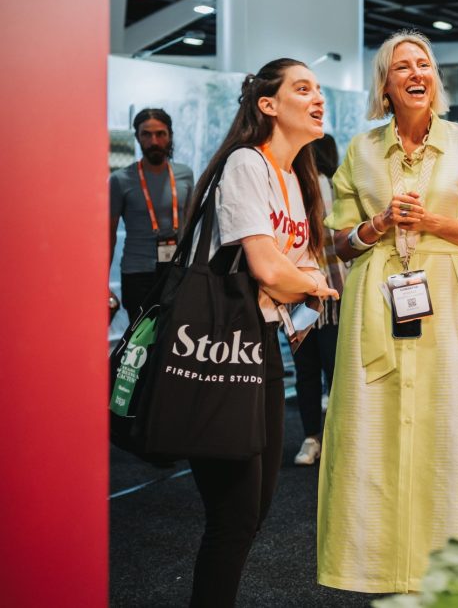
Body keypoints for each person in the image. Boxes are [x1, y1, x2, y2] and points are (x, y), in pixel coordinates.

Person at [317, 31, 458, 594]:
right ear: (386, 84)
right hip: (374, 299)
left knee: (451, 426)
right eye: (401, 67)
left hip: (443, 301)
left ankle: (450, 562)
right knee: (369, 428)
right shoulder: (361, 149)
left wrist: (431, 224)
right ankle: (373, 563)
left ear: (435, 79)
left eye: (423, 64)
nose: (414, 73)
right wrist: (376, 226)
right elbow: (340, 244)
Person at [183, 58, 339, 606]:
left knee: (252, 512)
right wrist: (314, 288)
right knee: (234, 516)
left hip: (263, 348)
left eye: (318, 88)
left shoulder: (297, 178)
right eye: (303, 88)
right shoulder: (246, 163)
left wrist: (300, 282)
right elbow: (270, 270)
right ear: (268, 105)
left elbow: (288, 269)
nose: (317, 97)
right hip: (219, 351)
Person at [109, 108, 194, 320]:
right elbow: (108, 236)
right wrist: (102, 285)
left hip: (176, 270)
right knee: (140, 341)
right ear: (137, 137)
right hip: (137, 273)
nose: (153, 140)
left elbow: (192, 226)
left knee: (171, 339)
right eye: (146, 134)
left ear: (170, 136)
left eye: (160, 134)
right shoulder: (121, 179)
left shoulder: (185, 175)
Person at [292, 133, 345, 466]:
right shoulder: (290, 186)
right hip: (299, 292)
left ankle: (328, 438)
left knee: (327, 368)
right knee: (311, 368)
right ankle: (313, 437)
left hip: (331, 293)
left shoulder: (337, 187)